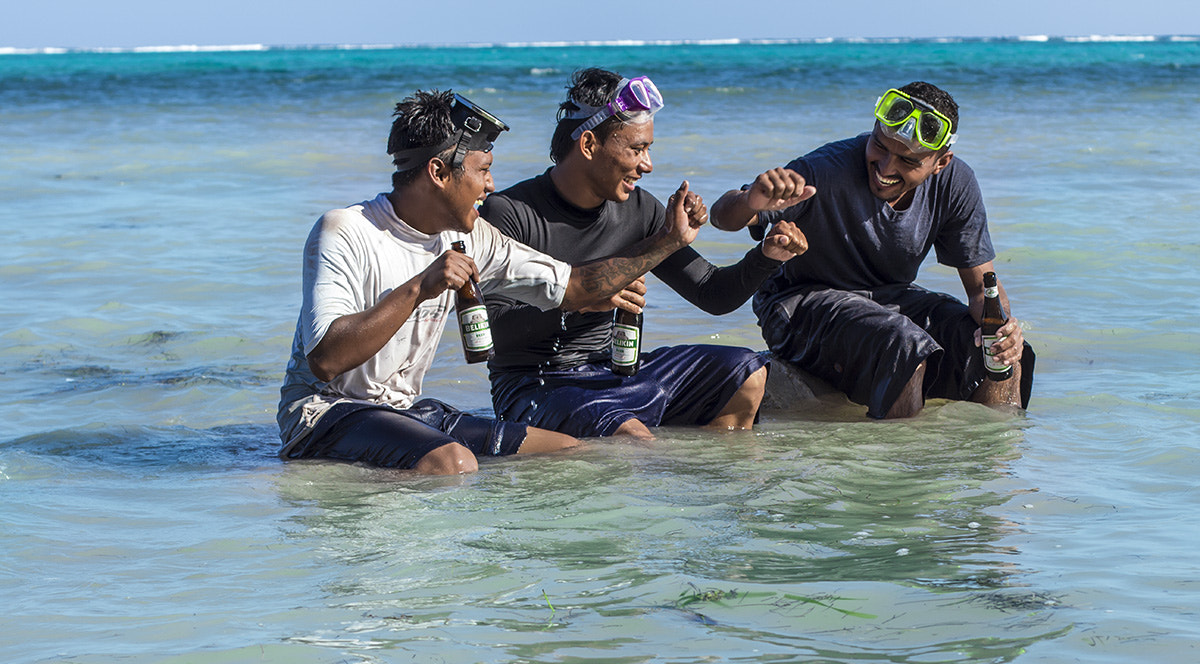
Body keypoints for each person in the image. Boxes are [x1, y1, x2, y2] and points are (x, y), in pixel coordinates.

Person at [277, 90, 704, 474]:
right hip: (322, 414)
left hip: (405, 411)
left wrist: (667, 243)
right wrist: (419, 287)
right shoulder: (345, 229)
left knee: (567, 450)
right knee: (454, 461)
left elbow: (573, 286)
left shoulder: (472, 237)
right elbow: (326, 360)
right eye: (483, 171)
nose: (491, 186)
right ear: (439, 172)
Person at [479, 67, 807, 440]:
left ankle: (713, 485)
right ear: (588, 145)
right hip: (535, 384)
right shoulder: (509, 213)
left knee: (745, 373)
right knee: (631, 437)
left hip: (617, 370)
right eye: (637, 149)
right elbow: (491, 334)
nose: (647, 165)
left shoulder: (640, 209)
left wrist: (767, 255)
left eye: (647, 148)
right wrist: (581, 301)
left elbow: (713, 294)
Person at [710, 81, 1034, 419]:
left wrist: (1003, 329)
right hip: (798, 304)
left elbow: (983, 290)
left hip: (889, 299)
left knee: (999, 351)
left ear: (941, 162)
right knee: (902, 343)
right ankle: (896, 465)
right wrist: (751, 200)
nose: (886, 168)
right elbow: (722, 217)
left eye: (907, 160)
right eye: (879, 146)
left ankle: (994, 462)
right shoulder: (824, 170)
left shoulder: (956, 182)